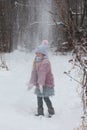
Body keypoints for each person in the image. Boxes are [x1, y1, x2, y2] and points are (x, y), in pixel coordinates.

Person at [28, 40, 55, 117]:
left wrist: (41, 84)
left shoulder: (45, 62)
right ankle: (40, 113)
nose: (36, 54)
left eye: (38, 53)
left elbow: (42, 74)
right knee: (39, 98)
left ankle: (51, 112)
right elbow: (34, 72)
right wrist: (32, 82)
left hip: (46, 83)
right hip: (39, 83)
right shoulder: (36, 61)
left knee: (46, 97)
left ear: (43, 54)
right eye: (36, 53)